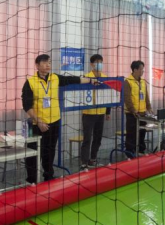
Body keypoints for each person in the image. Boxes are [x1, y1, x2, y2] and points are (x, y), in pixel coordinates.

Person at [22, 54, 99, 183]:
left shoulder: (55, 78)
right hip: (38, 125)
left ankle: (48, 176)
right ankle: (32, 180)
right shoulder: (30, 82)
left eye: (49, 62)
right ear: (37, 65)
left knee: (50, 151)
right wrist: (39, 121)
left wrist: (90, 80)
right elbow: (27, 106)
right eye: (44, 62)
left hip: (54, 122)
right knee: (33, 154)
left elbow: (73, 79)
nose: (48, 65)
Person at [80, 54, 110, 170]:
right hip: (88, 113)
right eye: (97, 62)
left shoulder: (105, 77)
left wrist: (108, 112)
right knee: (87, 138)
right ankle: (84, 162)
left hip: (101, 112)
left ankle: (93, 159)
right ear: (91, 64)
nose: (99, 64)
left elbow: (108, 96)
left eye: (101, 62)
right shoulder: (86, 77)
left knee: (98, 138)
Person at [124, 60, 153, 157]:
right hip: (132, 113)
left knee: (142, 132)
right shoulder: (127, 82)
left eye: (143, 69)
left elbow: (146, 96)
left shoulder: (143, 82)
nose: (142, 71)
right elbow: (127, 98)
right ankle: (129, 153)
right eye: (141, 69)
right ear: (135, 70)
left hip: (142, 113)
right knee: (131, 134)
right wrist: (133, 110)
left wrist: (149, 107)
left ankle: (141, 150)